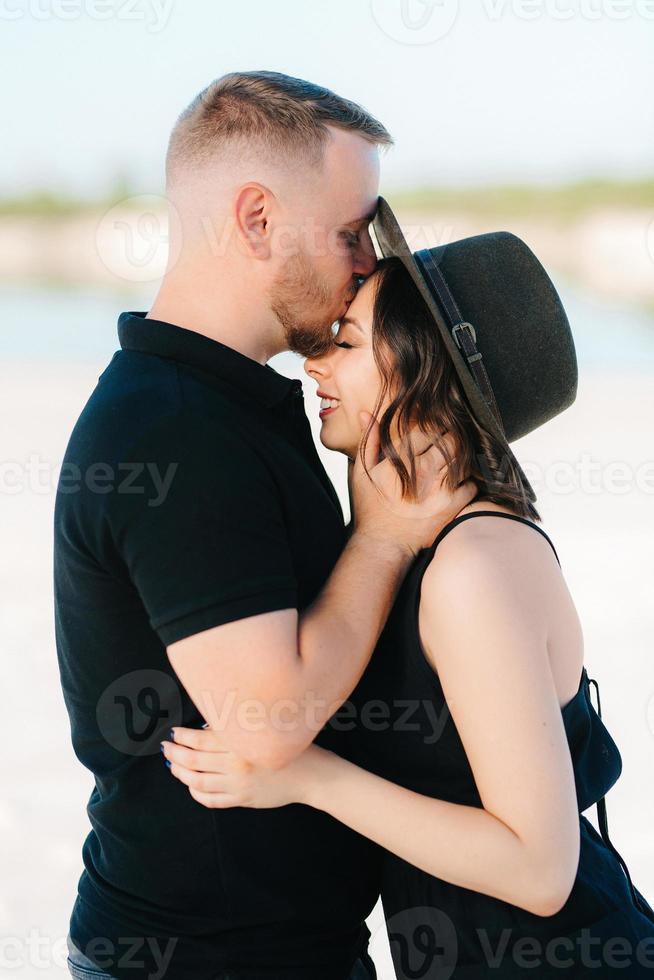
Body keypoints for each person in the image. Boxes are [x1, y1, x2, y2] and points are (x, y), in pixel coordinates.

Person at [54, 73, 476, 980]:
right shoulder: (175, 428)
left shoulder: (222, 403)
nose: (370, 262)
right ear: (256, 220)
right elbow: (264, 722)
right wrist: (386, 536)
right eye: (351, 231)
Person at [163, 206, 654, 977]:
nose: (312, 365)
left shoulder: (473, 569)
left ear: (429, 371)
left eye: (347, 341)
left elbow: (540, 871)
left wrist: (307, 777)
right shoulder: (422, 544)